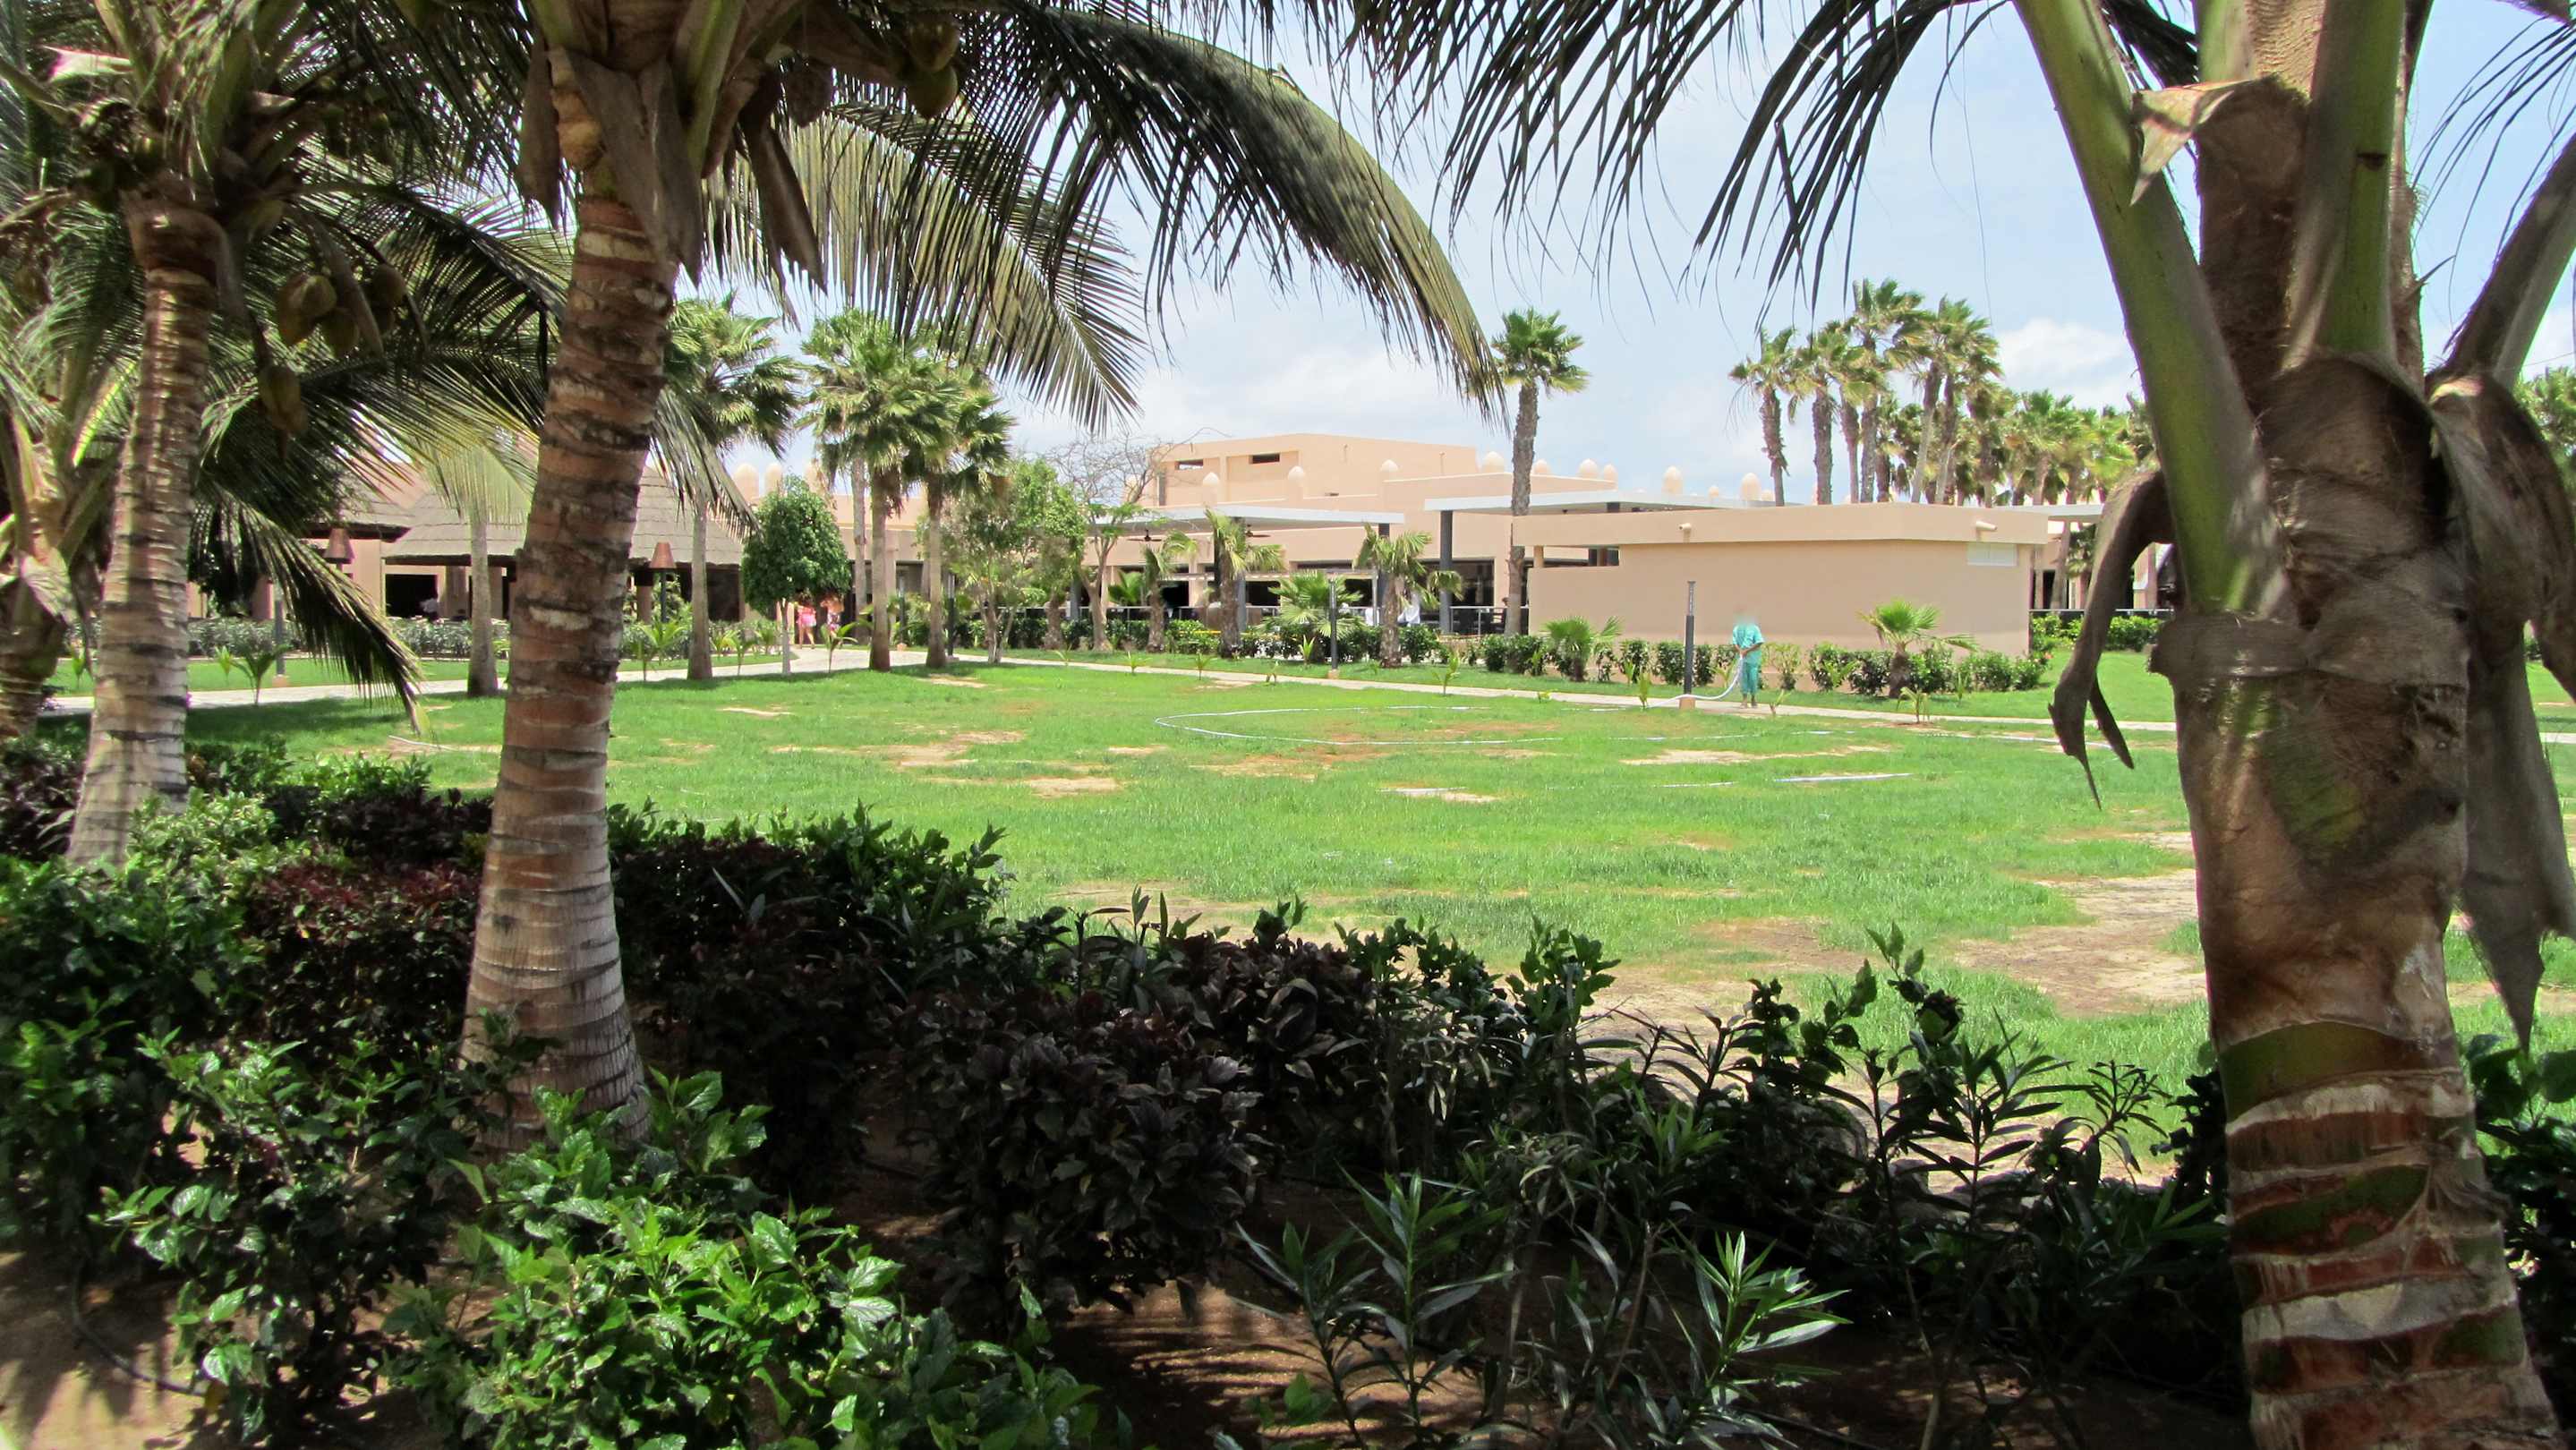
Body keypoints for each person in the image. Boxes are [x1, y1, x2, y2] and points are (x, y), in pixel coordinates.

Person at [1729, 615, 1764, 705]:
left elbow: (1759, 642)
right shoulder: (1736, 629)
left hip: (1753, 660)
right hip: (1742, 660)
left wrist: (1747, 651)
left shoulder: (1754, 628)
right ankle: (1744, 699)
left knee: (1753, 679)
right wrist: (1740, 651)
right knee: (1743, 679)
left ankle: (1753, 698)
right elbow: (1734, 642)